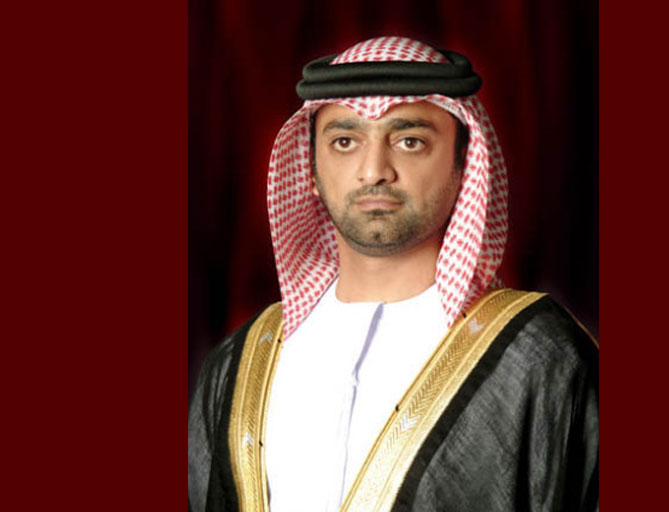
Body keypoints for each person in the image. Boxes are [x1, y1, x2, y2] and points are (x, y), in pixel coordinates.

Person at [188, 37, 598, 512]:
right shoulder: (240, 362)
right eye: (345, 142)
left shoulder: (539, 357)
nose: (374, 171)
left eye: (409, 141)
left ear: (464, 165)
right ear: (311, 171)